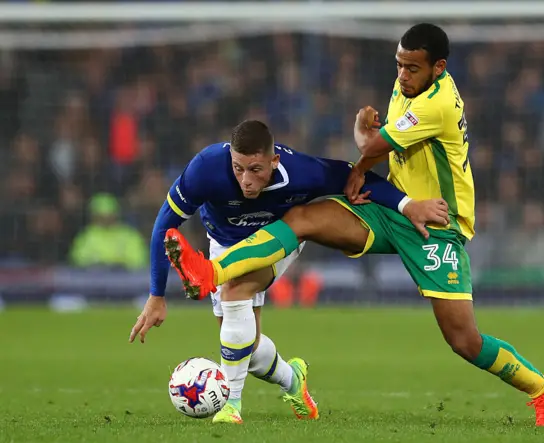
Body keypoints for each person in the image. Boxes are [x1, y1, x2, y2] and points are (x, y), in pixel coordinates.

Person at [163, 24, 544, 427]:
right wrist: (369, 166)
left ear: (438, 67)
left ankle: (543, 389)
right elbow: (389, 145)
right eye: (399, 65)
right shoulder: (409, 87)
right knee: (303, 217)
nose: (402, 75)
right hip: (392, 207)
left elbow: (375, 145)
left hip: (436, 222)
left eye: (412, 68)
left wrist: (362, 141)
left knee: (463, 340)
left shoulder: (438, 103)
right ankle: (211, 271)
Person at [129, 119, 450, 424]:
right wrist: (156, 295)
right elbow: (164, 226)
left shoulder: (302, 173)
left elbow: (357, 175)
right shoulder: (207, 167)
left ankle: (231, 406)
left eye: (255, 170)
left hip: (278, 238)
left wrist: (408, 205)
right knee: (246, 348)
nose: (245, 180)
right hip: (224, 245)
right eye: (238, 169)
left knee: (234, 291)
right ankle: (292, 379)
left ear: (274, 161)